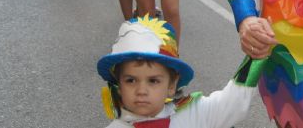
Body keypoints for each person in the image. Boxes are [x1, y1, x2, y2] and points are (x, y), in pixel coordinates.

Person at [97, 16, 262, 128]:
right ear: (119, 84)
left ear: (172, 85)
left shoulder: (193, 114)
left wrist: (258, 56)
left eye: (153, 81)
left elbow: (231, 104)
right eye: (131, 80)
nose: (141, 91)